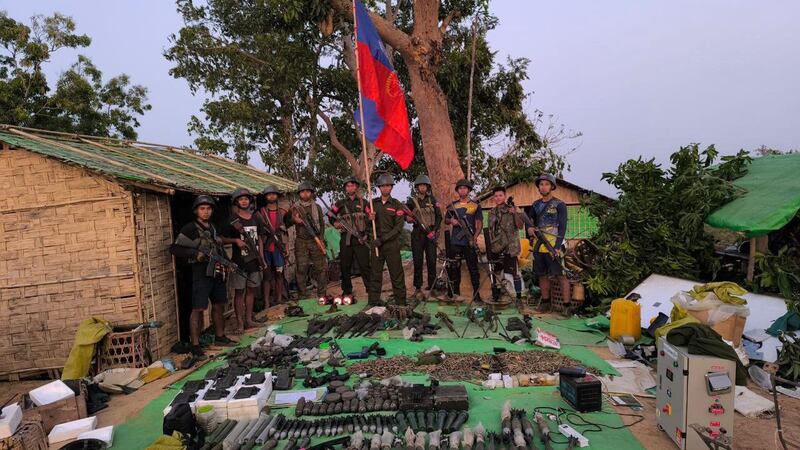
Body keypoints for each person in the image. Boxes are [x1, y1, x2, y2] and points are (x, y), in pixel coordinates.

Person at [171, 195, 237, 358]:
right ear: (196, 211)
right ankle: (195, 345)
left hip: (216, 272)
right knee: (198, 308)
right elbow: (174, 248)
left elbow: (218, 249)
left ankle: (220, 336)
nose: (206, 212)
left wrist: (229, 263)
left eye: (208, 208)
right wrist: (195, 253)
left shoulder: (212, 228)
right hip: (201, 273)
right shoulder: (190, 228)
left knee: (219, 305)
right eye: (202, 208)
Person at [221, 187, 265, 333]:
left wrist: (262, 257)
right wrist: (235, 241)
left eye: (246, 198)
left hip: (254, 260)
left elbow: (260, 239)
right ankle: (240, 323)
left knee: (251, 290)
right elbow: (220, 238)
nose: (244, 201)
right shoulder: (232, 220)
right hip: (239, 260)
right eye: (241, 199)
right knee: (239, 292)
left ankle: (249, 320)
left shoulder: (256, 218)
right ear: (236, 202)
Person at [526, 173, 570, 311]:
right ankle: (545, 302)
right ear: (538, 187)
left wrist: (557, 247)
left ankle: (566, 306)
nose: (543, 187)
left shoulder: (560, 204)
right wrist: (529, 229)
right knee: (542, 274)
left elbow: (562, 227)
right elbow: (528, 221)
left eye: (546, 184)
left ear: (552, 186)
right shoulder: (535, 205)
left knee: (560, 275)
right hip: (539, 245)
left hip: (554, 244)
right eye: (541, 184)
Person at [367, 173, 407, 305]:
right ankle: (373, 302)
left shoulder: (397, 205)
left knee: (396, 275)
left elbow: (398, 228)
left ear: (391, 188)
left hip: (391, 245)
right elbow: (367, 226)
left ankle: (401, 302)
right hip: (376, 244)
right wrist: (370, 219)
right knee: (375, 275)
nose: (385, 188)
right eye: (383, 186)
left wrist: (383, 239)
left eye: (388, 186)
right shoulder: (372, 204)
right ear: (379, 187)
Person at [330, 177, 371, 302]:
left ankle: (371, 290)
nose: (350, 188)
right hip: (346, 239)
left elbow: (370, 220)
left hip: (361, 239)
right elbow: (330, 215)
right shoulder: (340, 203)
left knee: (365, 265)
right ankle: (347, 291)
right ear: (345, 189)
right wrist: (335, 223)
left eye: (352, 186)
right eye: (347, 186)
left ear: (356, 187)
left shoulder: (364, 203)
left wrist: (366, 236)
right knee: (345, 266)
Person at [445, 178, 483, 303]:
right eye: (460, 188)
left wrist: (474, 236)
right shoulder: (452, 206)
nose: (463, 190)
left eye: (465, 188)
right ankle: (455, 293)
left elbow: (479, 224)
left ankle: (476, 295)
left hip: (469, 241)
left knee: (473, 268)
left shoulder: (475, 206)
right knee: (454, 267)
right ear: (458, 190)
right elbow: (446, 220)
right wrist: (452, 221)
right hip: (455, 241)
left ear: (469, 190)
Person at [290, 181, 328, 300]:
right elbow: (286, 222)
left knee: (321, 268)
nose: (305, 194)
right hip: (301, 242)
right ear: (299, 194)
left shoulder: (316, 207)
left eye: (307, 191)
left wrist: (321, 239)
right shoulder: (294, 207)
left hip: (315, 240)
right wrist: (294, 220)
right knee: (301, 268)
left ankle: (322, 293)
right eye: (302, 192)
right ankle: (303, 294)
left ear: (311, 193)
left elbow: (321, 225)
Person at [405, 174, 442, 296]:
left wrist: (434, 231)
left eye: (424, 185)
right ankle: (417, 287)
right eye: (420, 185)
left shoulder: (433, 200)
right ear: (417, 187)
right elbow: (406, 215)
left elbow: (439, 217)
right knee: (418, 261)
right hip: (417, 234)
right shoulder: (411, 200)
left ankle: (432, 287)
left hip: (430, 234)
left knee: (432, 261)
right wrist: (408, 219)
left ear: (427, 187)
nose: (422, 188)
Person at [487, 186, 524, 302]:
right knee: (495, 270)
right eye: (496, 196)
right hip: (497, 246)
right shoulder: (492, 212)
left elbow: (520, 226)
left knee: (514, 273)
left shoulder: (513, 208)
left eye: (500, 195)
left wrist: (514, 214)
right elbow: (490, 230)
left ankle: (518, 297)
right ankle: (497, 294)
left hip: (511, 247)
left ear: (505, 196)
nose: (498, 198)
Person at [256, 184, 289, 308]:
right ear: (265, 197)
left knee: (279, 274)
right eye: (269, 194)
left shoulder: (283, 212)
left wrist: (286, 247)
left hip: (278, 248)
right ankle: (267, 303)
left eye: (274, 194)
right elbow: (259, 234)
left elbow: (285, 232)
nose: (271, 196)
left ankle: (279, 299)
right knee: (267, 276)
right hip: (265, 248)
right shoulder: (260, 213)